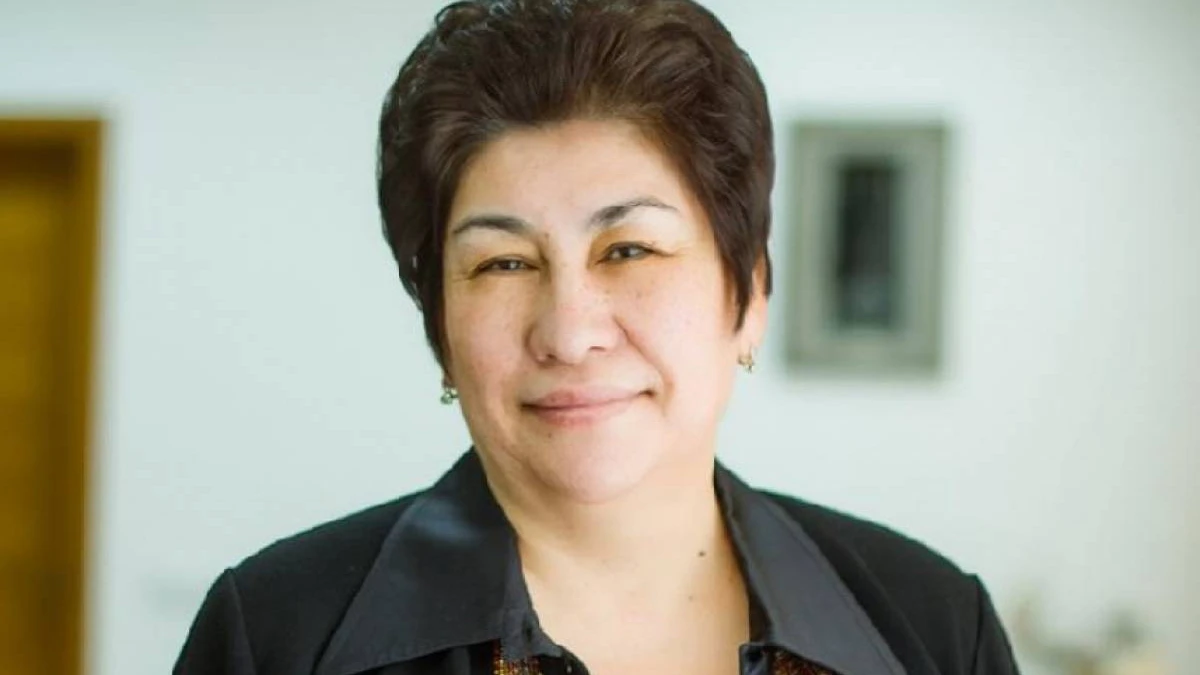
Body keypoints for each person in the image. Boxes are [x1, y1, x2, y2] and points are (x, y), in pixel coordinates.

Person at [175, 1, 1019, 674]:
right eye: (504, 262)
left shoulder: (932, 628)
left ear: (749, 293)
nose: (571, 332)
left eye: (629, 249)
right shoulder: (276, 637)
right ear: (439, 327)